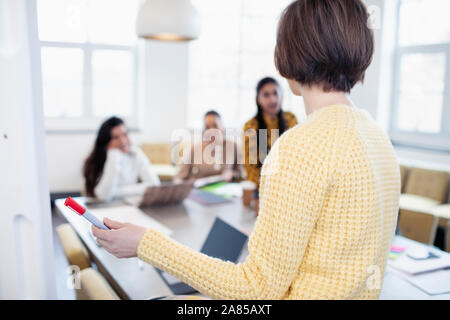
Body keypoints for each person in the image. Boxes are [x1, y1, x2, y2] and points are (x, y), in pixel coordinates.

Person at [92, 0, 401, 299]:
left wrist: (146, 244)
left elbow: (254, 289)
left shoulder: (300, 146)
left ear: (289, 55)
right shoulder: (378, 138)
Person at [83, 116, 160, 202]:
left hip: (128, 205)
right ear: (106, 141)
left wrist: (117, 192)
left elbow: (154, 186)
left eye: (125, 134)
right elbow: (104, 196)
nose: (123, 141)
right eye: (115, 137)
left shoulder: (135, 153)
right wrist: (113, 158)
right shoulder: (95, 162)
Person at [243, 77, 298, 191]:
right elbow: (251, 168)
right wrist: (272, 187)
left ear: (281, 95)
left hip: (290, 186)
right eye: (266, 95)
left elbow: (296, 159)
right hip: (262, 188)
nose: (272, 99)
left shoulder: (290, 119)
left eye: (275, 93)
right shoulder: (251, 126)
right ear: (258, 99)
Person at [174, 110, 242, 183]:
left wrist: (232, 174)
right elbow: (179, 178)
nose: (211, 130)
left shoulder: (233, 147)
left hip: (223, 190)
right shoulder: (194, 148)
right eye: (207, 127)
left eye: (215, 125)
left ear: (222, 126)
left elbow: (241, 173)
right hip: (198, 191)